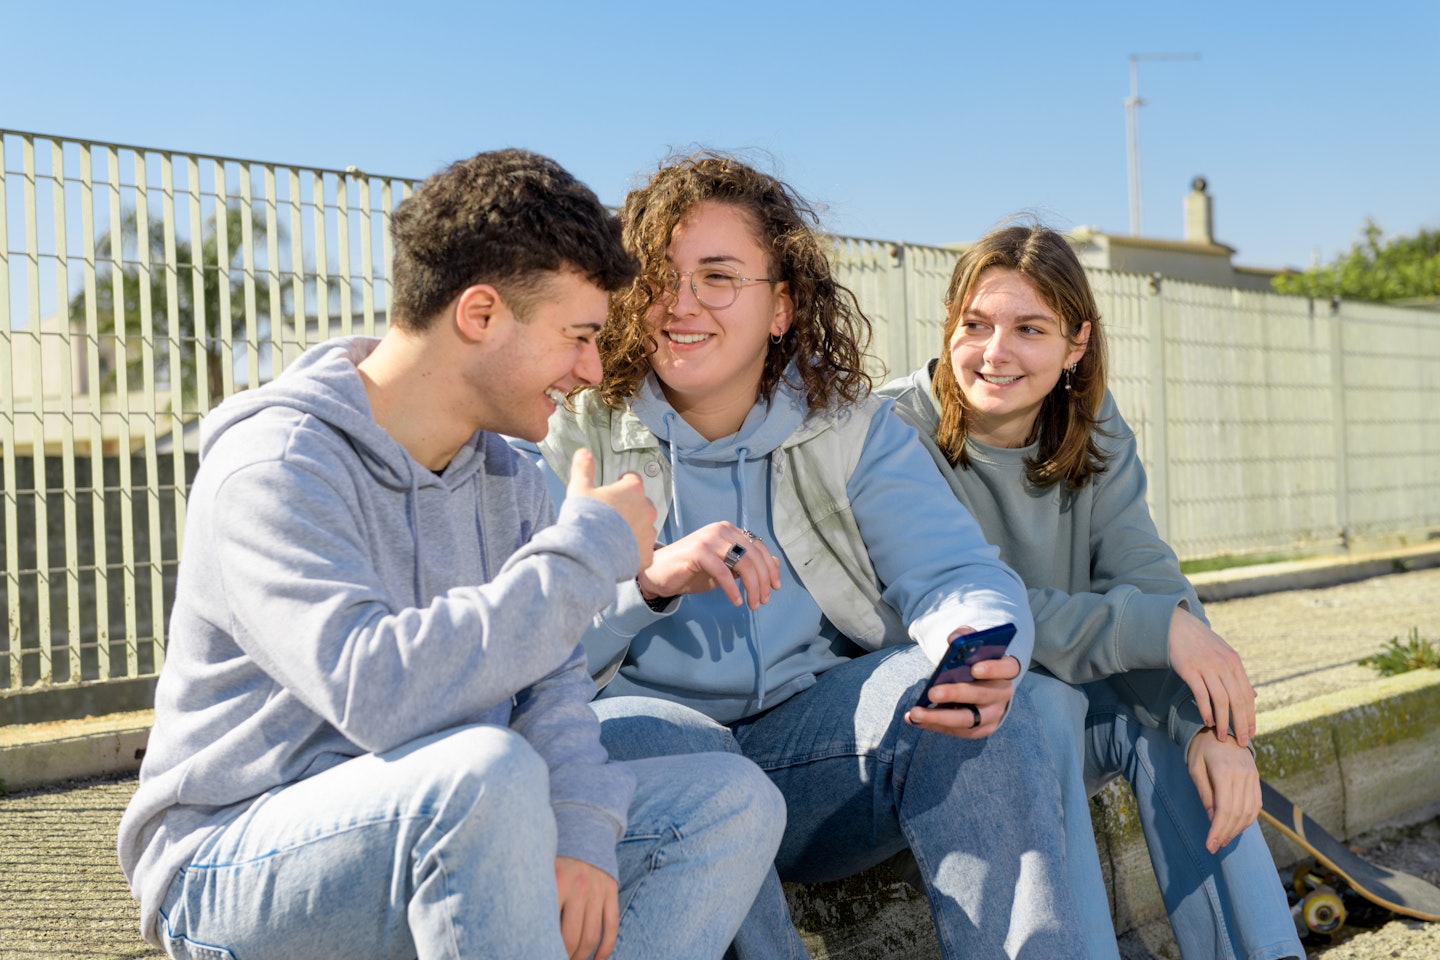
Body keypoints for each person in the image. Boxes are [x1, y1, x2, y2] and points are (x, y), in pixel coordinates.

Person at [116, 149, 786, 960]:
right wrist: (587, 552)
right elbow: (374, 688)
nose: (592, 370)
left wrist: (578, 831)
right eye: (577, 336)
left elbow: (553, 689)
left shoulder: (506, 475)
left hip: (458, 815)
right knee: (486, 776)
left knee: (731, 802)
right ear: (479, 315)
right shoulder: (277, 466)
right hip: (237, 856)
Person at [528, 154, 1085, 959]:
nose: (680, 306)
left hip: (813, 750)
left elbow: (957, 572)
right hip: (651, 760)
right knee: (660, 740)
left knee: (987, 704)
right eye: (660, 277)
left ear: (782, 306)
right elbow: (524, 653)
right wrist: (644, 585)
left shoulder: (849, 428)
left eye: (718, 277)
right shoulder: (570, 431)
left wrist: (980, 643)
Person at [879, 224, 1304, 960]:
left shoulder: (1090, 422)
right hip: (953, 729)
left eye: (1029, 329)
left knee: (1181, 737)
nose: (995, 352)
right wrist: (1156, 628)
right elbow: (967, 609)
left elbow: (1148, 575)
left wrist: (1215, 730)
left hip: (1067, 705)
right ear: (948, 323)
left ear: (1076, 344)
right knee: (1042, 705)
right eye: (975, 325)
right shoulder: (891, 432)